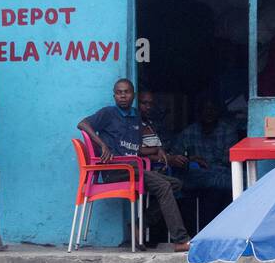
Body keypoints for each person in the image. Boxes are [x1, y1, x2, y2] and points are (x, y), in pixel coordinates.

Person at [78, 78, 191, 252]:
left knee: (176, 184)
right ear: (114, 95)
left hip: (133, 168)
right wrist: (102, 145)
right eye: (119, 92)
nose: (123, 96)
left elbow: (135, 149)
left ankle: (139, 224)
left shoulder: (136, 117)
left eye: (126, 92)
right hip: (116, 170)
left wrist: (157, 151)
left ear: (133, 95)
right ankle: (180, 240)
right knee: (163, 185)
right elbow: (83, 124)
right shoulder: (108, 113)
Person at [175, 98, 238, 196]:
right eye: (205, 109)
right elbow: (175, 158)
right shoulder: (188, 133)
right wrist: (191, 160)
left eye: (212, 109)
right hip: (196, 176)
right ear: (199, 112)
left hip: (222, 174)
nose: (209, 113)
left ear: (218, 112)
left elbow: (229, 162)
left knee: (244, 180)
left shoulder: (228, 131)